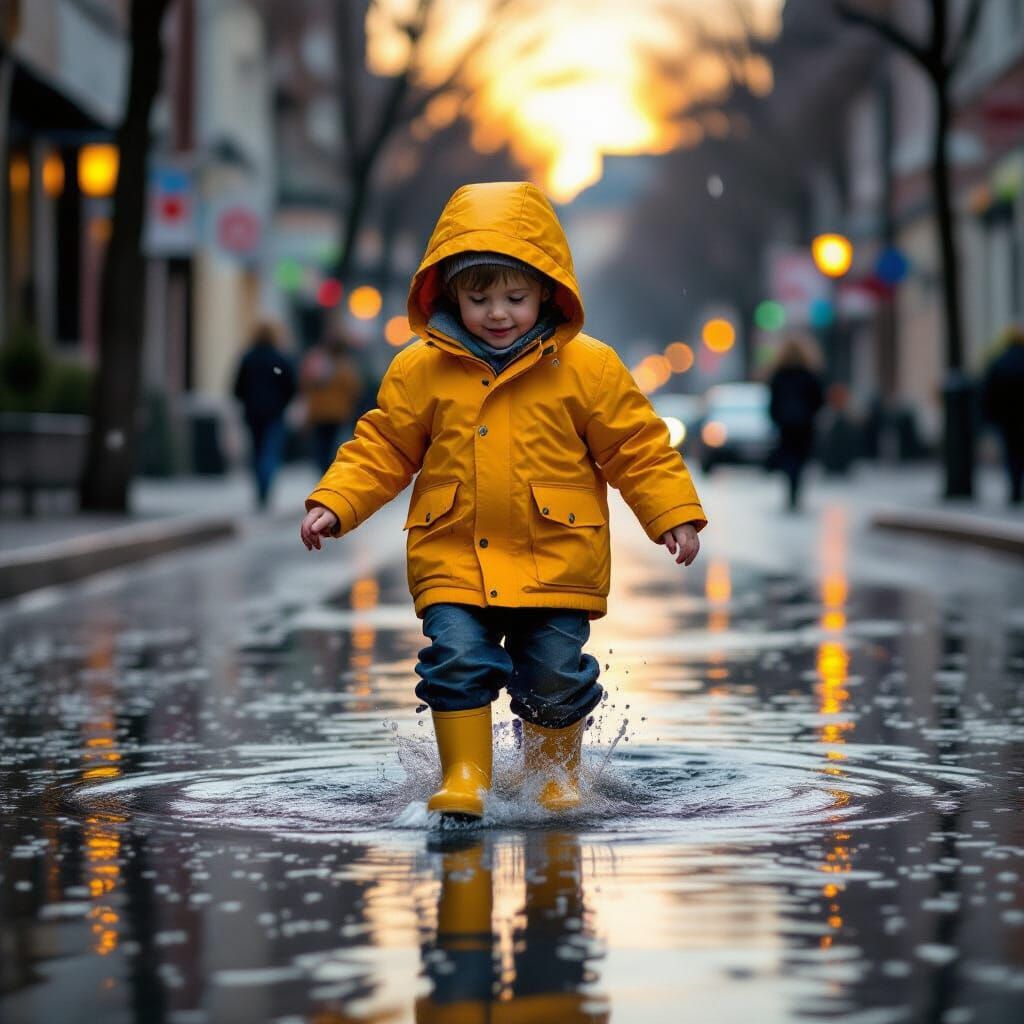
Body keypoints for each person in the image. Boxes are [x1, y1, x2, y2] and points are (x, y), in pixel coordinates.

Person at [299, 181, 706, 820]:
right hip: (452, 553)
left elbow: (637, 446)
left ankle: (552, 779)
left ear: (547, 290)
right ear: (449, 294)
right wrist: (336, 501)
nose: (497, 313)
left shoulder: (588, 368)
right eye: (478, 296)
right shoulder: (419, 369)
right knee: (455, 660)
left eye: (515, 297)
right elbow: (382, 447)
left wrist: (672, 512)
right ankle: (464, 775)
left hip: (556, 555)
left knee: (554, 675)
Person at [232, 320, 296, 510]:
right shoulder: (279, 359)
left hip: (252, 412)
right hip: (274, 412)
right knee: (270, 451)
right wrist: (283, 403)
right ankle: (265, 486)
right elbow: (290, 385)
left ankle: (260, 488)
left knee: (256, 450)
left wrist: (245, 401)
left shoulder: (248, 358)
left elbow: (237, 387)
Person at [768, 335, 825, 510]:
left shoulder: (778, 375)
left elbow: (773, 401)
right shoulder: (809, 375)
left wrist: (776, 418)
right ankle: (795, 492)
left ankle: (791, 490)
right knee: (800, 460)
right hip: (804, 425)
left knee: (789, 458)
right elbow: (818, 399)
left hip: (786, 426)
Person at [299, 331, 363, 474]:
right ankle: (329, 468)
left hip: (318, 412)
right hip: (337, 413)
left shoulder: (318, 364)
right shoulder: (346, 366)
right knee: (333, 443)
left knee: (320, 444)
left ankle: (323, 468)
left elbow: (305, 384)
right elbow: (354, 388)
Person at [981, 325, 1024, 505]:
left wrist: (990, 417)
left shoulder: (999, 361)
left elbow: (989, 392)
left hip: (1007, 418)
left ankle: (1015, 490)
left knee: (1011, 453)